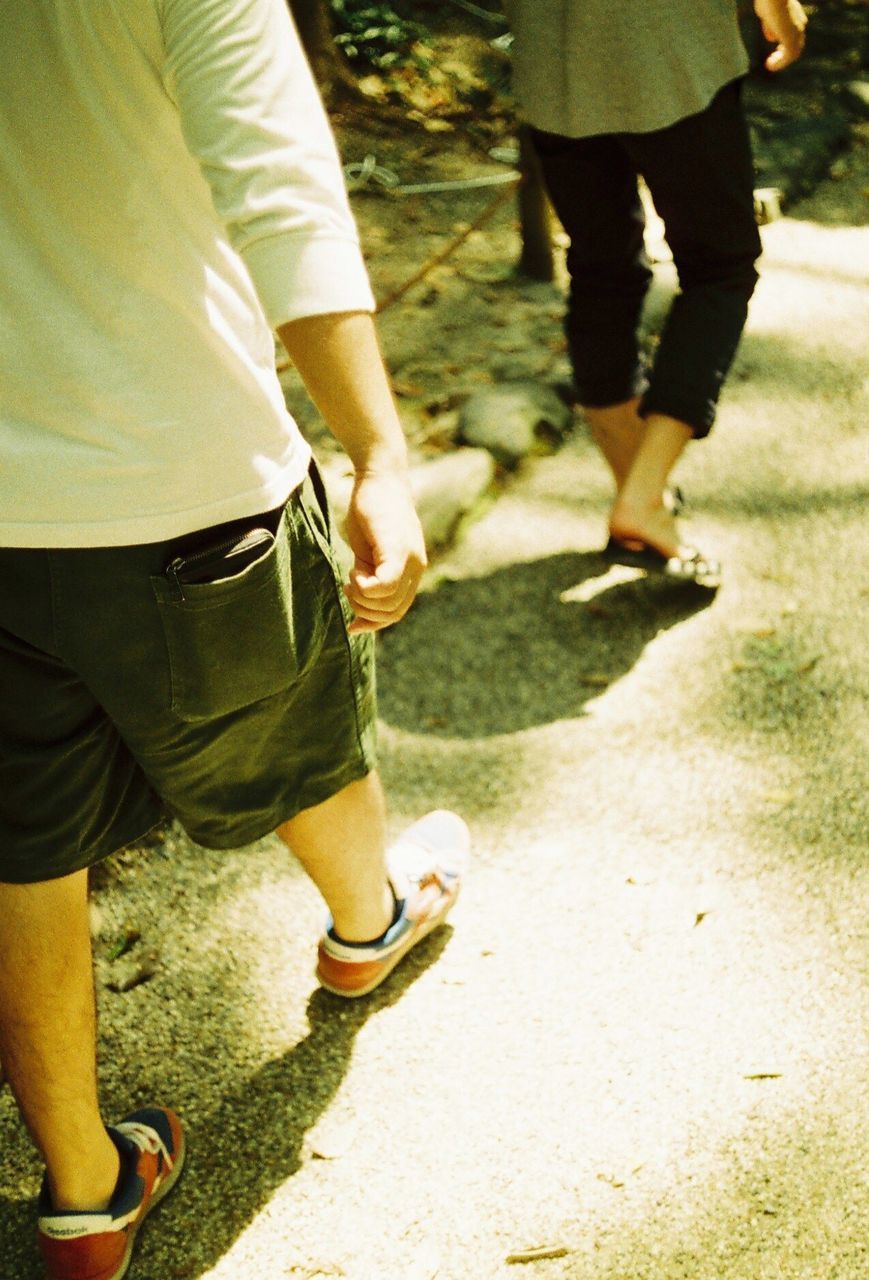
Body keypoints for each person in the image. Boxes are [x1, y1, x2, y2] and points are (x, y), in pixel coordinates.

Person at [0, 2, 469, 1278]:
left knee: (17, 849)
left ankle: (86, 1191)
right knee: (299, 723)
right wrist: (375, 448)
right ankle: (367, 923)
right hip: (182, 475)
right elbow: (281, 195)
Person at [504, 0, 807, 580]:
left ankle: (640, 501)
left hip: (555, 69)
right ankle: (642, 498)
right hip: (672, 53)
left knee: (601, 270)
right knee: (720, 268)